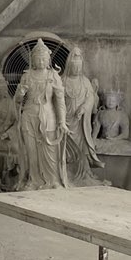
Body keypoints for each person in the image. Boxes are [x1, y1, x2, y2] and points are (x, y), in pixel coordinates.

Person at [14, 39, 68, 190]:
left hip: (48, 116)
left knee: (50, 150)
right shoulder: (27, 76)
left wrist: (62, 122)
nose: (41, 61)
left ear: (49, 59)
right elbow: (18, 101)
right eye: (38, 58)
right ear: (32, 60)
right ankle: (33, 180)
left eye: (44, 58)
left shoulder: (53, 76)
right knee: (31, 151)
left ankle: (53, 180)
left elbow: (60, 100)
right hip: (29, 116)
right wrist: (20, 93)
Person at [62, 46, 103, 185]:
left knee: (81, 148)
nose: (76, 70)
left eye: (79, 67)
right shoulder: (63, 81)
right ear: (69, 66)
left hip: (80, 123)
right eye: (74, 67)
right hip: (66, 119)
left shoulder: (85, 81)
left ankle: (82, 173)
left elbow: (90, 98)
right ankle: (65, 173)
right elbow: (56, 99)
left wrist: (84, 108)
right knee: (64, 148)